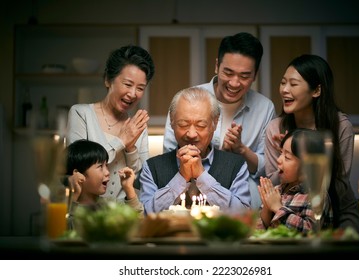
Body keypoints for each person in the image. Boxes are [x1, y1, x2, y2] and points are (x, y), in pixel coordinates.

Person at [163, 32, 276, 209]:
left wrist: (242, 151)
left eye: (244, 76)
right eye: (228, 72)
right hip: (192, 202)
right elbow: (169, 157)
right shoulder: (188, 99)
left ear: (255, 75)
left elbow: (267, 170)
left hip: (243, 208)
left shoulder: (264, 108)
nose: (234, 83)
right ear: (217, 66)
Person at [264, 54, 359, 232]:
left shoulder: (340, 125)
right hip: (289, 206)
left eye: (293, 84)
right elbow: (274, 185)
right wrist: (285, 154)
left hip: (338, 208)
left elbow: (339, 183)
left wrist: (302, 155)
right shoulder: (275, 128)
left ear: (316, 91)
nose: (284, 90)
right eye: (283, 82)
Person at [140, 87, 251, 214]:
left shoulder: (236, 165)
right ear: (171, 120)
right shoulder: (152, 167)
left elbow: (243, 215)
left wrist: (202, 176)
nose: (192, 134)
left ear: (215, 122)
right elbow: (145, 215)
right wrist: (181, 178)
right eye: (183, 124)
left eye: (201, 125)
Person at [66, 44, 155, 201]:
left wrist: (131, 149)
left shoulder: (138, 126)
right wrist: (121, 141)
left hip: (125, 217)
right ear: (108, 80)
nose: (133, 94)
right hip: (87, 214)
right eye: (128, 84)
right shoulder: (81, 114)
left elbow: (142, 181)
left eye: (140, 88)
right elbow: (78, 168)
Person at [257, 129, 332, 233]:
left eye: (287, 157)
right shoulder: (276, 191)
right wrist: (267, 207)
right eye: (281, 153)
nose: (278, 160)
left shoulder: (316, 195)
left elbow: (310, 231)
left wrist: (277, 208)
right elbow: (257, 231)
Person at [64, 139, 143, 228]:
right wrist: (73, 196)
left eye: (106, 166)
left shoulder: (111, 206)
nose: (107, 172)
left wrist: (129, 189)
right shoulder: (63, 207)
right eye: (100, 166)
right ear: (78, 174)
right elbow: (63, 231)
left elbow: (140, 225)